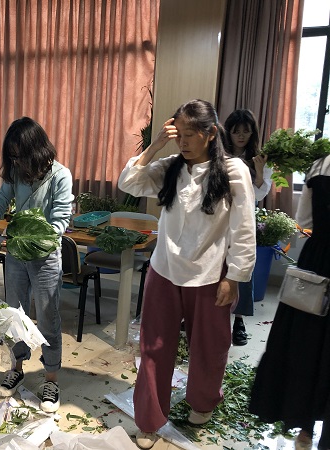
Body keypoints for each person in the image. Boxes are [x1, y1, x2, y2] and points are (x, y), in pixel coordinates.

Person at [117, 99, 256, 449]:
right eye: (178, 134)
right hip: (164, 269)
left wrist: (234, 276)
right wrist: (154, 145)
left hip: (209, 274)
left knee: (209, 346)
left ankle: (203, 402)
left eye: (190, 134)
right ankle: (149, 418)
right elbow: (129, 183)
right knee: (153, 346)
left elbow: (243, 228)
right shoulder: (170, 167)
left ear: (210, 134)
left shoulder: (233, 170)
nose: (182, 142)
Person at [0, 117, 74, 413]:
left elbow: (60, 220)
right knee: (15, 314)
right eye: (13, 157)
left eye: (21, 155)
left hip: (45, 257)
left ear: (37, 150)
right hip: (17, 255)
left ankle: (51, 378)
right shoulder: (16, 173)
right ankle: (17, 367)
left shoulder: (60, 175)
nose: (17, 161)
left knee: (47, 317)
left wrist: (34, 237)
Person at [250, 154, 330, 450]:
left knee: (308, 344)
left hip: (320, 259)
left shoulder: (320, 165)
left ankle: (305, 429)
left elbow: (305, 222)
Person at [223, 109, 273, 346]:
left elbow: (259, 194)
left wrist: (259, 172)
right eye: (236, 132)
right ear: (228, 133)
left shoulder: (260, 158)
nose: (241, 136)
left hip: (243, 219)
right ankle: (204, 313)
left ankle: (239, 320)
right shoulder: (219, 155)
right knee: (214, 264)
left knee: (242, 266)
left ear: (253, 133)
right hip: (219, 218)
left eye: (246, 131)